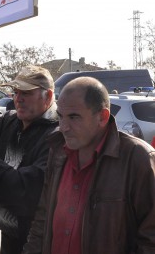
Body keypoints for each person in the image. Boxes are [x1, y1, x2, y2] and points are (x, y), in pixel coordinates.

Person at [23, 76, 155, 253]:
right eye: (60, 116)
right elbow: (43, 218)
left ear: (102, 117)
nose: (63, 127)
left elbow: (150, 240)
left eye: (74, 117)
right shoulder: (58, 151)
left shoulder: (138, 159)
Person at [0, 66, 59, 254]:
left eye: (26, 93)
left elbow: (31, 189)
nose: (18, 99)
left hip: (37, 241)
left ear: (48, 97)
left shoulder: (57, 136)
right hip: (8, 234)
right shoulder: (10, 121)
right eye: (16, 92)